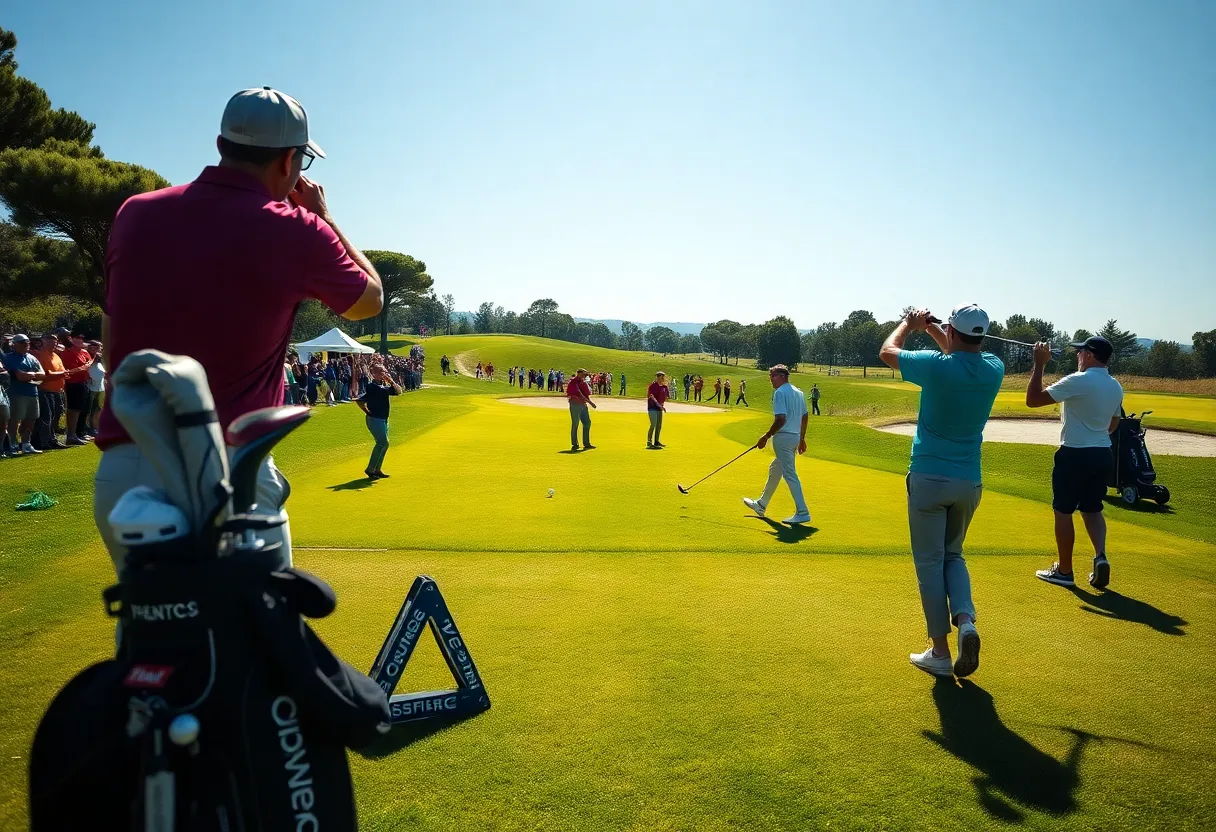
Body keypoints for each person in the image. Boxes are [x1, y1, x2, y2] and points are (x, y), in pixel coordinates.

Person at [94, 86, 383, 573]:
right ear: (290, 160)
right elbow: (369, 301)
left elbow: (110, 334)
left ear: (220, 145)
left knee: (150, 635)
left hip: (125, 473)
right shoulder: (297, 228)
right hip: (228, 472)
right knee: (257, 641)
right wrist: (324, 216)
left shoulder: (135, 211)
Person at [878, 304, 1003, 679]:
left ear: (952, 330)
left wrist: (909, 324)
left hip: (929, 478)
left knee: (930, 565)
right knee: (954, 556)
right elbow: (959, 351)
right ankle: (966, 622)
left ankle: (940, 652)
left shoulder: (936, 366)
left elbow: (887, 353)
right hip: (969, 481)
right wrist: (936, 329)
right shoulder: (994, 367)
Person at [1026, 336, 1124, 589]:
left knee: (1063, 510)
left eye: (1080, 352)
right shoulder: (1115, 386)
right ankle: (1100, 556)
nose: (1077, 356)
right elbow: (1113, 424)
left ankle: (1065, 571)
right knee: (1092, 508)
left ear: (1090, 355)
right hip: (1103, 453)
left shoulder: (1078, 380)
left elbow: (1033, 399)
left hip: (1074, 454)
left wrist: (1039, 364)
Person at [742, 365, 811, 526]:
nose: (770, 379)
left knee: (789, 474)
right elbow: (805, 416)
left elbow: (781, 419)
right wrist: (801, 438)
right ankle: (761, 504)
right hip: (793, 438)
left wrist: (766, 436)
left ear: (782, 376)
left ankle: (802, 512)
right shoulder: (799, 392)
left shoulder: (780, 393)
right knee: (776, 468)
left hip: (784, 438)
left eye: (772, 376)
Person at [355, 361, 401, 478]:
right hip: (375, 419)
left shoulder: (383, 386)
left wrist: (391, 381)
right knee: (383, 442)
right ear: (374, 374)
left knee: (384, 444)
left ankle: (377, 469)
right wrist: (366, 411)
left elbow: (399, 391)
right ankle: (370, 469)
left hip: (383, 419)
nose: (384, 373)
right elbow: (360, 401)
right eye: (381, 372)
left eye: (384, 371)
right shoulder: (372, 387)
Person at [2, 334, 45, 454]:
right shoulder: (8, 358)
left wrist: (30, 376)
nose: (26, 344)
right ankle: (13, 444)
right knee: (14, 420)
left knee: (30, 419)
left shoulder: (32, 357)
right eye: (22, 342)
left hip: (32, 392)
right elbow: (20, 376)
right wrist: (32, 376)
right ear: (14, 344)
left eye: (27, 342)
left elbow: (42, 375)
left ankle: (26, 444)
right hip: (16, 393)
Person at [32, 334, 67, 450]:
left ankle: (52, 439)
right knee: (46, 417)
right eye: (51, 343)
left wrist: (64, 374)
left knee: (56, 415)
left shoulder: (56, 355)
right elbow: (45, 374)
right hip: (44, 390)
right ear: (43, 342)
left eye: (55, 343)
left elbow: (62, 371)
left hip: (57, 390)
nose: (54, 345)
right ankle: (43, 441)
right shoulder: (38, 355)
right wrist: (63, 374)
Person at [61, 331, 95, 445]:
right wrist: (85, 366)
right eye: (76, 338)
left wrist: (86, 366)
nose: (79, 340)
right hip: (73, 383)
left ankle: (77, 433)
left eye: (81, 338)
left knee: (82, 409)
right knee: (73, 410)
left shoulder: (84, 352)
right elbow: (73, 370)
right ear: (70, 339)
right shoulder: (67, 353)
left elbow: (90, 362)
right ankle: (71, 435)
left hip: (84, 382)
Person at [566, 368, 597, 451]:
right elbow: (579, 394)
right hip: (575, 405)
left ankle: (586, 443)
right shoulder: (573, 382)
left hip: (583, 405)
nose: (585, 376)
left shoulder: (582, 382)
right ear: (578, 373)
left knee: (587, 423)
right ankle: (575, 444)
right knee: (575, 424)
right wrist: (591, 403)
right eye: (583, 374)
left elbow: (586, 394)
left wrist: (588, 402)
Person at [647, 371, 670, 449]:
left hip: (659, 408)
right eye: (659, 376)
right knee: (653, 424)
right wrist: (659, 405)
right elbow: (652, 397)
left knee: (659, 425)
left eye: (662, 377)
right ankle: (649, 442)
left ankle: (656, 442)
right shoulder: (652, 386)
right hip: (652, 407)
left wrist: (662, 405)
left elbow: (666, 397)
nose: (661, 378)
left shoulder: (664, 387)